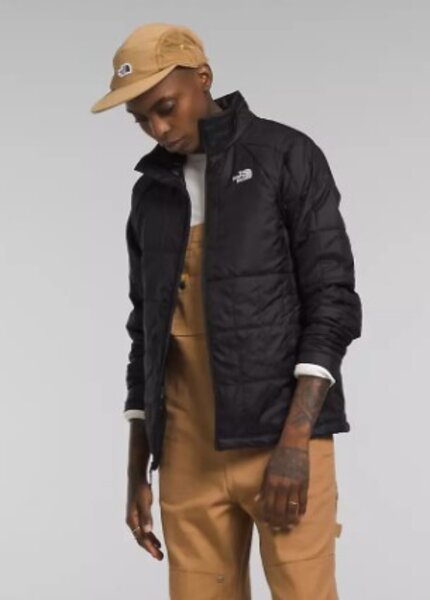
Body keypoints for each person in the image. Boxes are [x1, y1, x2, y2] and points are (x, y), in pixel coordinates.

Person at [90, 22, 362, 600]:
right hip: (185, 453)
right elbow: (146, 332)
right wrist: (138, 466)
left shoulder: (285, 156)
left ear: (204, 78)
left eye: (166, 107)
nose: (158, 129)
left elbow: (333, 300)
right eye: (141, 119)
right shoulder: (151, 195)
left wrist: (296, 444)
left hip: (281, 441)